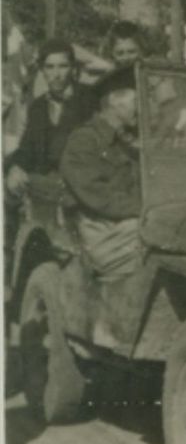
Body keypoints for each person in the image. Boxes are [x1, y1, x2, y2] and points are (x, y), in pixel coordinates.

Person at [60, 67, 141, 281]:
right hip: (99, 233)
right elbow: (97, 196)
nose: (141, 108)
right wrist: (144, 209)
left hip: (123, 228)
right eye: (136, 101)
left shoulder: (128, 142)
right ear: (115, 102)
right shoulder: (84, 140)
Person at [5, 38, 95, 197]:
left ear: (73, 68)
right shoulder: (37, 107)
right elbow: (27, 148)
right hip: (46, 182)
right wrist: (15, 167)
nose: (56, 74)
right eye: (50, 67)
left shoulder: (90, 98)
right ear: (42, 70)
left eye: (63, 66)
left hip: (82, 184)